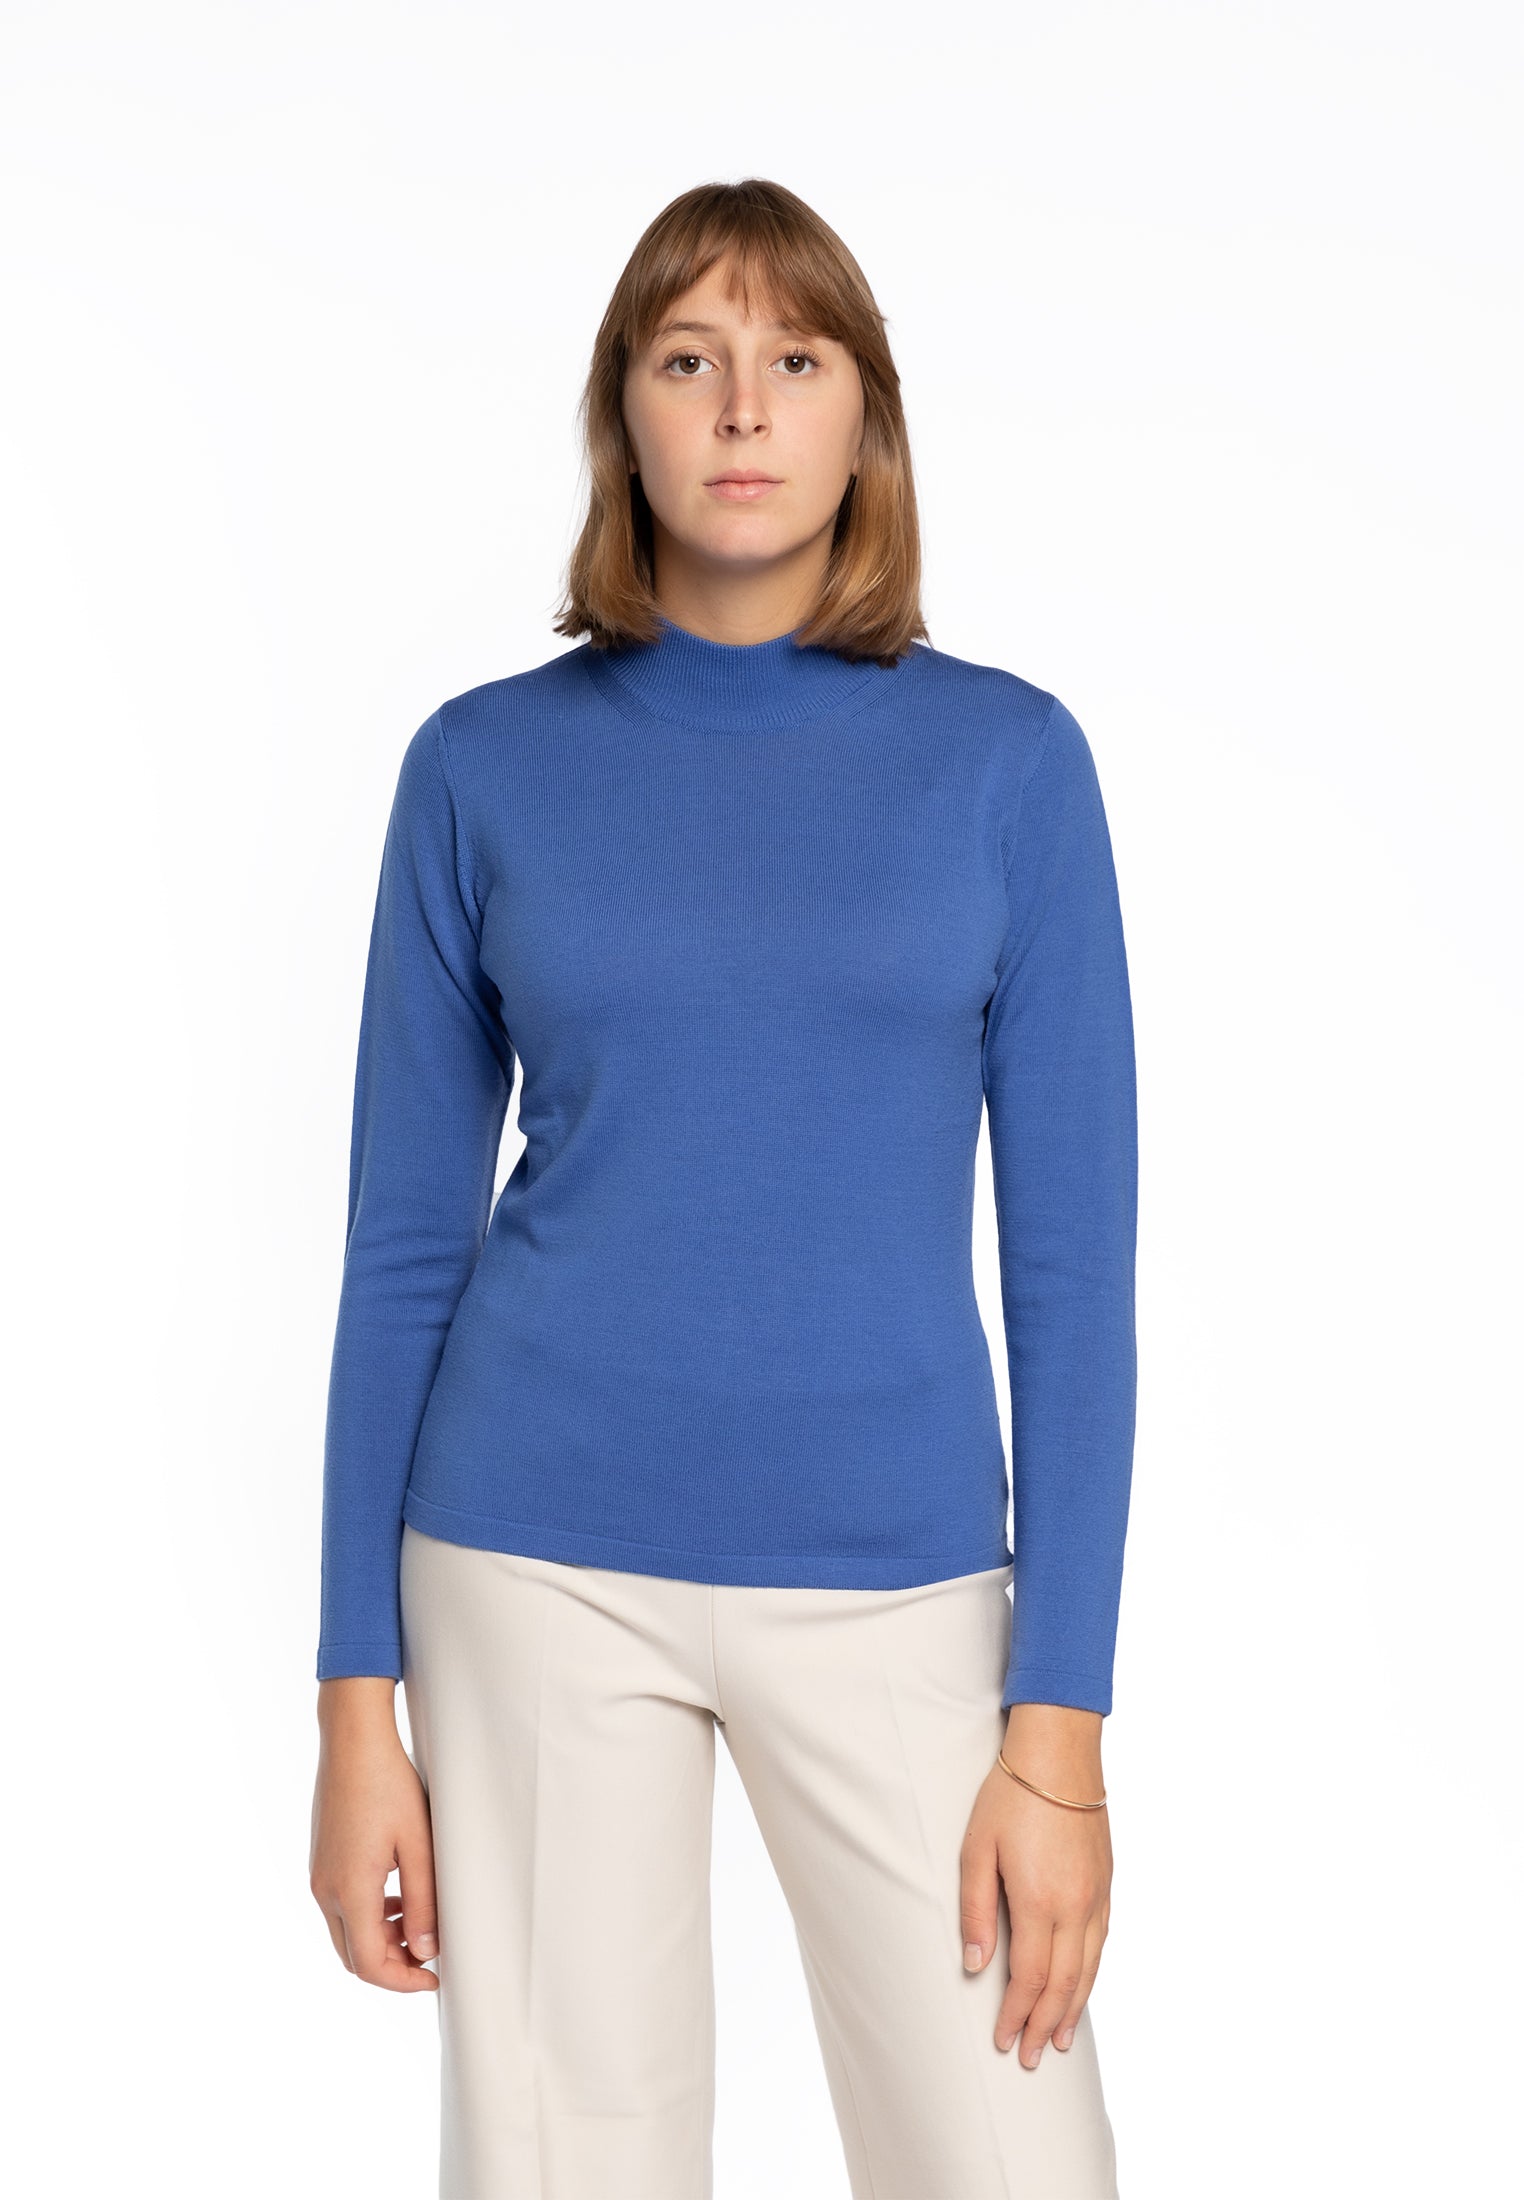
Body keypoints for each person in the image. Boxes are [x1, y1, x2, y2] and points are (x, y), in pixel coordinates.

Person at [309, 175, 1138, 2200]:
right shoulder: (479, 768)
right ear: (626, 413)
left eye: (796, 358)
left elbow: (1073, 1273)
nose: (745, 407)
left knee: (1010, 2158)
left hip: (899, 1574)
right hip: (529, 1562)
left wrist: (1060, 1728)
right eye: (690, 360)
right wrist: (353, 1708)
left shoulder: (1010, 767)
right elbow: (404, 1246)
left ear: (868, 417)